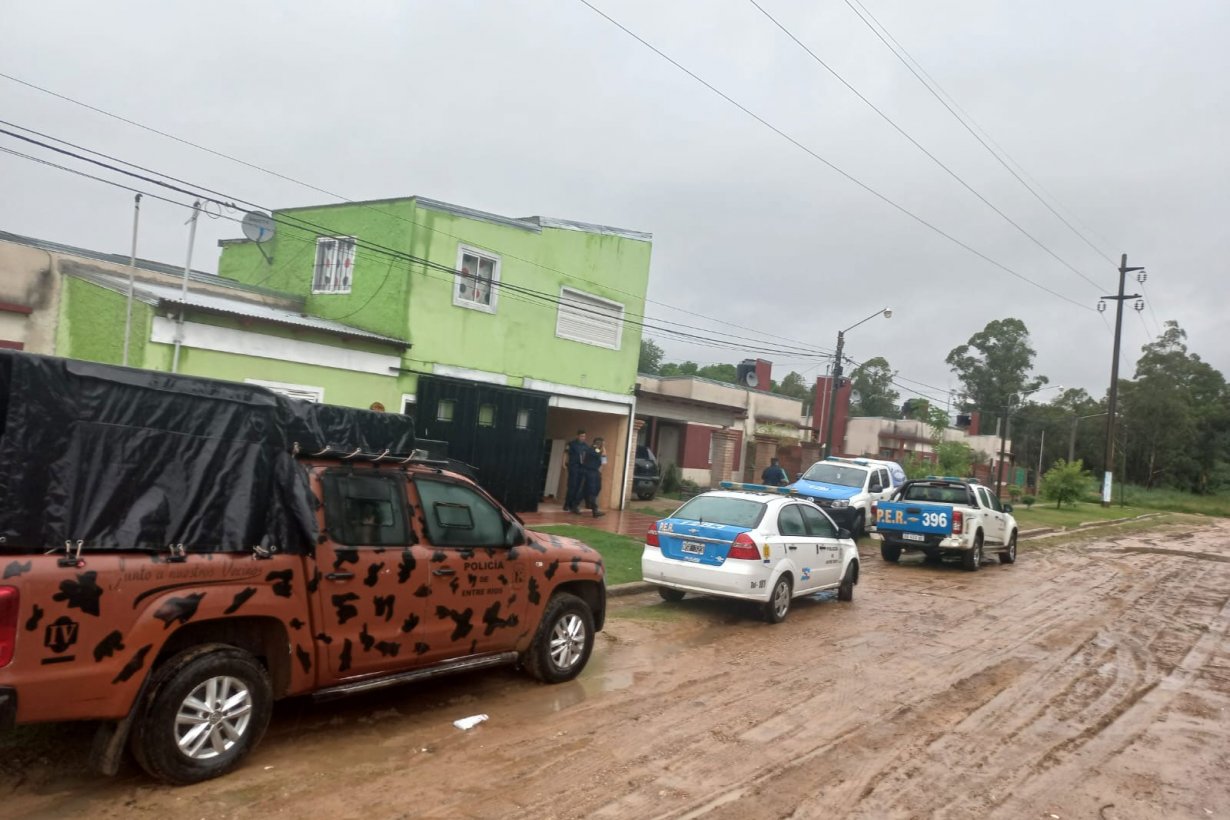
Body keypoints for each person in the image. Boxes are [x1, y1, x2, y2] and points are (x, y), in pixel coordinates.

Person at [563, 429, 588, 513]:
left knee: (578, 487)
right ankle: (567, 504)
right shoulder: (571, 444)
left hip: (581, 468)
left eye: (584, 436)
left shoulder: (586, 446)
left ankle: (573, 505)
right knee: (572, 486)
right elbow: (566, 453)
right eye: (581, 436)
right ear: (577, 436)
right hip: (573, 467)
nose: (583, 438)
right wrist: (564, 463)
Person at [583, 437, 608, 518]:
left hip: (596, 472)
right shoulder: (593, 449)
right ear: (599, 443)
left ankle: (590, 503)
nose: (603, 446)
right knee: (593, 490)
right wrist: (603, 452)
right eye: (603, 444)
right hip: (591, 472)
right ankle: (594, 510)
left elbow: (604, 462)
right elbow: (601, 454)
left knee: (597, 488)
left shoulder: (597, 450)